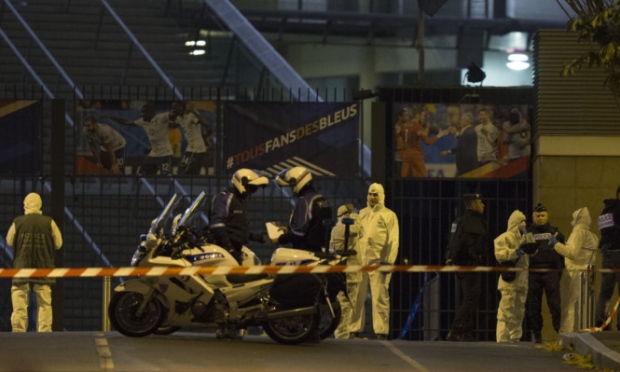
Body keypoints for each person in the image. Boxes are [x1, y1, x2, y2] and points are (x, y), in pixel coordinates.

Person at [348, 183, 399, 340]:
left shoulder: (389, 215)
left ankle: (381, 332)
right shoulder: (360, 214)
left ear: (381, 196)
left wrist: (389, 262)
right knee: (356, 297)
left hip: (379, 262)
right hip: (360, 261)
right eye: (370, 194)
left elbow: (393, 241)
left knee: (380, 298)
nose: (372, 197)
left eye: (375, 194)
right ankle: (354, 329)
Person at [5, 193, 63, 332]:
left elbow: (9, 241)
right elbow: (58, 244)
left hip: (21, 267)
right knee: (44, 303)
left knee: (19, 302)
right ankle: (44, 331)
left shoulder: (17, 222)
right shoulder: (49, 222)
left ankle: (18, 331)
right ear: (39, 204)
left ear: (25, 204)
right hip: (43, 266)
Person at [445, 193, 488, 342]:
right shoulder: (473, 222)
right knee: (471, 298)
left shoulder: (459, 221)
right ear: (473, 204)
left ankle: (465, 331)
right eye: (480, 202)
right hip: (470, 264)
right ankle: (456, 330)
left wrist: (450, 257)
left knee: (468, 298)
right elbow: (465, 243)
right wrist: (474, 256)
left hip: (461, 264)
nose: (483, 205)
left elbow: (452, 242)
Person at [548, 207, 599, 334]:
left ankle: (565, 337)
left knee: (569, 307)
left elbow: (571, 253)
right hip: (588, 273)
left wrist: (556, 244)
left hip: (575, 274)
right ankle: (585, 336)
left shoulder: (578, 233)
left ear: (578, 219)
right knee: (585, 308)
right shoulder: (593, 236)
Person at [209, 169, 269, 265]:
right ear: (243, 183)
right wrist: (229, 249)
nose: (252, 191)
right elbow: (217, 225)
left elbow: (236, 229)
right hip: (223, 250)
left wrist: (258, 238)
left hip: (235, 249)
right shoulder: (224, 197)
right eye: (252, 188)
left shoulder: (240, 200)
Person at [526, 203, 565, 343]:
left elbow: (562, 255)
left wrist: (558, 272)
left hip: (550, 272)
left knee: (554, 304)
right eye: (538, 216)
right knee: (534, 305)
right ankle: (537, 334)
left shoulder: (556, 233)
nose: (540, 218)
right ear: (533, 217)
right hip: (533, 272)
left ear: (547, 216)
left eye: (543, 216)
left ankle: (559, 333)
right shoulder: (527, 233)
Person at [102, 102, 175, 175]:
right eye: (142, 114)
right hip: (154, 154)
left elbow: (172, 115)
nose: (142, 116)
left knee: (166, 177)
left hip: (165, 153)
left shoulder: (161, 117)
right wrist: (112, 117)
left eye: (144, 114)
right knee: (141, 175)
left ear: (150, 113)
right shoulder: (143, 121)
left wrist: (176, 117)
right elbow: (127, 122)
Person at [273, 166, 333, 252]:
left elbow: (299, 233)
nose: (291, 189)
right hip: (321, 251)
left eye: (291, 186)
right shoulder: (320, 199)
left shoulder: (304, 201)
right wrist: (289, 230)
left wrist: (280, 239)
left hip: (305, 252)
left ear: (296, 182)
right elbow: (313, 226)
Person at [494, 210, 531, 343]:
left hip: (522, 280)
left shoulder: (525, 238)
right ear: (515, 223)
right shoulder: (504, 238)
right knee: (506, 310)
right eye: (521, 221)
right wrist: (515, 252)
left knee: (519, 311)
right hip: (509, 281)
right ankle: (502, 337)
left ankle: (515, 336)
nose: (524, 224)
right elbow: (500, 254)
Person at [330, 204, 363, 339]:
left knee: (343, 304)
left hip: (341, 271)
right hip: (349, 273)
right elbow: (359, 229)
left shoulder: (335, 228)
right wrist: (355, 215)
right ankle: (342, 335)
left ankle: (342, 333)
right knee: (346, 305)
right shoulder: (346, 226)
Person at [395, 105, 447, 178]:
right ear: (418, 115)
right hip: (416, 156)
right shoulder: (417, 126)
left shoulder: (404, 125)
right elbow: (428, 141)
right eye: (423, 115)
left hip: (405, 155)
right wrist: (439, 135)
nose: (424, 117)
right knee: (422, 177)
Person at [595, 186, 620, 329]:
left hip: (606, 254)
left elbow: (605, 232)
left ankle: (601, 322)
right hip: (618, 253)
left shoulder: (604, 212)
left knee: (605, 293)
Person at [171, 101, 211, 175]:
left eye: (175, 107)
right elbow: (172, 126)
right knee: (186, 170)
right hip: (190, 147)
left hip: (197, 148)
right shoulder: (179, 118)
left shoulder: (191, 115)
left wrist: (194, 111)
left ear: (181, 107)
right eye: (172, 108)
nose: (173, 109)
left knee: (184, 170)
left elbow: (206, 124)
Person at [439, 112, 478, 176]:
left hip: (467, 166)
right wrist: (455, 134)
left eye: (462, 120)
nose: (460, 121)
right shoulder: (468, 131)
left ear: (467, 121)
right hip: (465, 165)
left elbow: (461, 146)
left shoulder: (469, 132)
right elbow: (463, 141)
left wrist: (448, 152)